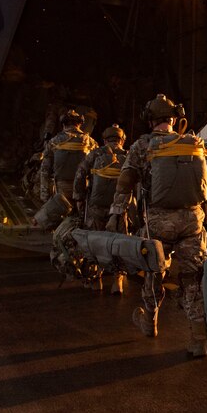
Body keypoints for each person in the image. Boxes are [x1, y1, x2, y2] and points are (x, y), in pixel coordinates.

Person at [106, 94, 207, 358]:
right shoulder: (192, 143)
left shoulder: (143, 146)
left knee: (154, 274)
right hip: (192, 222)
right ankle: (199, 339)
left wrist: (116, 214)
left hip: (158, 223)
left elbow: (126, 181)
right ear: (174, 119)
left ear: (150, 120)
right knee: (192, 279)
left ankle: (150, 323)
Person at [74, 123, 129, 294]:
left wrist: (79, 198)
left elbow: (80, 174)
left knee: (95, 242)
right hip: (119, 209)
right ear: (122, 140)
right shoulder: (128, 157)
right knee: (119, 244)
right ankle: (117, 282)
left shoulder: (95, 154)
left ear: (104, 140)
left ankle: (96, 279)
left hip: (96, 206)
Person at [39, 110, 97, 204]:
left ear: (63, 125)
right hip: (83, 189)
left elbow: (45, 170)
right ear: (79, 124)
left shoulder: (54, 141)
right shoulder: (90, 142)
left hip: (61, 190)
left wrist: (44, 195)